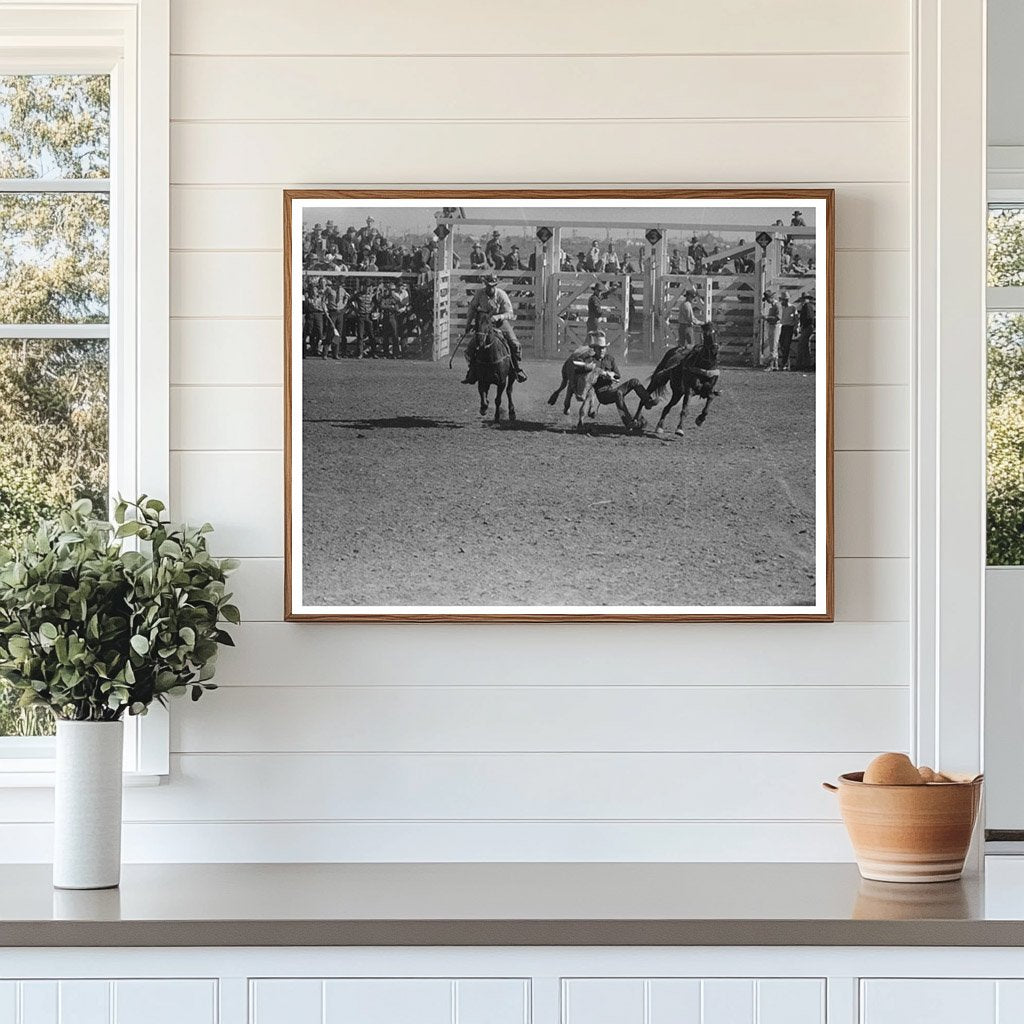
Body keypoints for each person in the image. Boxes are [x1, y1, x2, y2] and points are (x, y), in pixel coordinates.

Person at [462, 273, 527, 384]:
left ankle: (516, 369)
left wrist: (497, 317)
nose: (489, 287)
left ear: (495, 285)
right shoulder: (480, 294)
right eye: (488, 285)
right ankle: (472, 371)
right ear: (485, 284)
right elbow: (472, 308)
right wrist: (468, 323)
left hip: (500, 323)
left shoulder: (501, 295)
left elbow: (509, 313)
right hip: (484, 323)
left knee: (515, 344)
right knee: (471, 347)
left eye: (491, 285)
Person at [583, 332, 653, 427]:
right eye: (600, 348)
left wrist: (612, 375)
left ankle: (648, 401)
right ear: (595, 349)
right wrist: (603, 374)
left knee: (634, 381)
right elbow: (588, 374)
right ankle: (627, 421)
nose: (602, 350)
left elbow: (617, 375)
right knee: (618, 393)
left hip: (611, 389)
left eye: (603, 348)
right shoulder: (591, 361)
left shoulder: (610, 359)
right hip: (601, 394)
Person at [354, 280, 378, 358]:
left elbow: (376, 303)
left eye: (369, 287)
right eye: (366, 286)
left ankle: (374, 352)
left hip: (369, 316)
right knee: (360, 335)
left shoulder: (372, 295)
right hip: (361, 316)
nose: (367, 288)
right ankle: (360, 353)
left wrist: (372, 309)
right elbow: (350, 301)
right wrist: (356, 310)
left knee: (371, 334)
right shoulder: (358, 295)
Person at [761, 289, 781, 370]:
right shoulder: (774, 306)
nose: (767, 301)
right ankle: (775, 365)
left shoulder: (777, 306)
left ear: (771, 297)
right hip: (772, 326)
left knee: (773, 345)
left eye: (768, 299)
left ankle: (771, 365)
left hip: (775, 326)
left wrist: (766, 317)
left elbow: (779, 317)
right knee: (773, 345)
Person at [777, 290, 797, 370]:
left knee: (786, 345)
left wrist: (796, 327)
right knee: (782, 344)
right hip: (782, 326)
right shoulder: (781, 307)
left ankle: (784, 363)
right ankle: (786, 362)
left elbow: (796, 318)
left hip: (789, 327)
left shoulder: (792, 307)